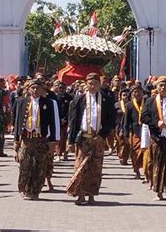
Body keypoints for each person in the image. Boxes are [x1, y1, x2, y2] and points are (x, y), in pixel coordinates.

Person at [66, 73, 115, 205]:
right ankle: (80, 194)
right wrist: (70, 141)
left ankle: (91, 195)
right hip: (83, 138)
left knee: (96, 167)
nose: (92, 86)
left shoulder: (106, 99)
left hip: (98, 138)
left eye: (95, 84)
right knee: (80, 167)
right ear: (86, 84)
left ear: (99, 84)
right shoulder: (79, 99)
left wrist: (102, 135)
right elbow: (73, 121)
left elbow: (111, 120)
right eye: (90, 83)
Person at [13, 80, 56, 200]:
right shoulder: (22, 102)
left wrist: (53, 141)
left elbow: (53, 123)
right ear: (29, 89)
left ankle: (35, 191)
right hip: (26, 139)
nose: (35, 90)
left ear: (43, 90)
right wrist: (16, 140)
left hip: (41, 140)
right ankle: (25, 189)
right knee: (25, 165)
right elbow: (17, 122)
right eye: (33, 88)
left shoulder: (49, 103)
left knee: (39, 166)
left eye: (38, 88)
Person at [123, 84, 145, 179]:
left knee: (146, 152)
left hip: (146, 131)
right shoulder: (129, 105)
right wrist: (126, 134)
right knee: (135, 152)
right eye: (135, 92)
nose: (137, 94)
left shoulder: (147, 103)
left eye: (139, 91)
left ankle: (147, 172)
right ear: (132, 94)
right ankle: (136, 171)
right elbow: (126, 121)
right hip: (134, 132)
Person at [55, 81, 72, 161]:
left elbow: (70, 110)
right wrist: (59, 119)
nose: (61, 89)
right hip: (57, 120)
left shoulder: (69, 97)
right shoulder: (55, 97)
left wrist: (65, 119)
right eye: (60, 88)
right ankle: (58, 154)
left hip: (66, 121)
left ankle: (65, 153)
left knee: (65, 138)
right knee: (58, 138)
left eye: (63, 88)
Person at [115, 88, 130, 165]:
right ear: (120, 96)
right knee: (120, 142)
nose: (125, 97)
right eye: (124, 95)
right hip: (118, 126)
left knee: (126, 143)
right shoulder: (117, 105)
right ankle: (121, 156)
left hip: (127, 126)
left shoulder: (131, 105)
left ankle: (125, 158)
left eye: (127, 95)